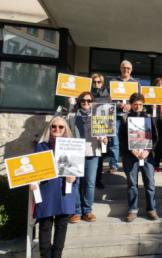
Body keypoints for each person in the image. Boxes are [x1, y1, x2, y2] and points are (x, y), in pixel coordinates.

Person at [32, 116, 76, 258]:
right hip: (47, 191)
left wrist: (74, 177)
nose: (57, 129)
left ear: (66, 129)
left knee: (62, 226)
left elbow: (78, 170)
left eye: (61, 127)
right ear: (50, 128)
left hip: (65, 192)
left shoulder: (73, 146)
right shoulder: (41, 146)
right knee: (45, 226)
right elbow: (33, 171)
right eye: (54, 126)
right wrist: (33, 181)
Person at [119, 93, 159, 222]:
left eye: (140, 104)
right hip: (130, 156)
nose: (138, 106)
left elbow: (156, 137)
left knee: (150, 183)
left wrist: (148, 150)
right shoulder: (125, 119)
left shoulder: (149, 118)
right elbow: (122, 139)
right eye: (135, 104)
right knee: (132, 184)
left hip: (147, 156)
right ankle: (133, 210)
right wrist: (132, 150)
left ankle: (151, 209)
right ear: (131, 105)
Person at [68, 92, 107, 223]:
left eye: (89, 101)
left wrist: (104, 139)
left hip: (92, 151)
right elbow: (66, 133)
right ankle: (77, 211)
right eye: (83, 101)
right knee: (76, 183)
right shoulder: (72, 116)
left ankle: (88, 211)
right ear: (79, 102)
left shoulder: (99, 116)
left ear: (93, 102)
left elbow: (105, 134)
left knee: (90, 183)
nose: (86, 103)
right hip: (75, 152)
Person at [108, 60, 137, 174]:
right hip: (115, 116)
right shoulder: (113, 82)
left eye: (128, 68)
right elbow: (107, 99)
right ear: (120, 68)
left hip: (129, 117)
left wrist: (130, 106)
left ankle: (130, 164)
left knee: (130, 141)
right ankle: (114, 165)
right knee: (114, 142)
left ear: (131, 70)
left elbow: (138, 100)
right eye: (124, 68)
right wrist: (117, 104)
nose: (126, 70)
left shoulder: (135, 83)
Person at [91, 73, 110, 189]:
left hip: (102, 126)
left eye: (99, 82)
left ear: (102, 83)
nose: (96, 84)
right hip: (87, 128)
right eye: (94, 82)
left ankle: (98, 179)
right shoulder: (87, 94)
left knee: (100, 156)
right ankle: (89, 179)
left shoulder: (107, 95)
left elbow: (110, 112)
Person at [152, 77, 162, 172]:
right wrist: (151, 107)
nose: (161, 85)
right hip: (152, 122)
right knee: (152, 145)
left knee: (159, 145)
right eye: (159, 83)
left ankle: (157, 165)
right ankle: (150, 165)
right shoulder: (150, 95)